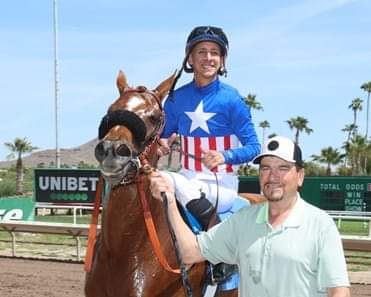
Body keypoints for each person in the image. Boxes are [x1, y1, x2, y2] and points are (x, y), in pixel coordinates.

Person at [150, 136, 351, 297]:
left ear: (300, 176)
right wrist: (168, 198)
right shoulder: (243, 220)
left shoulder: (320, 225)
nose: (272, 176)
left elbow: (339, 291)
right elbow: (190, 252)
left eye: (282, 168)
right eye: (265, 168)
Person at [158, 25, 260, 230]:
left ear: (222, 60)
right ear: (190, 59)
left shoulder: (232, 99)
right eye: (201, 52)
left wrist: (225, 156)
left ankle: (217, 239)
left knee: (166, 179)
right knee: (157, 182)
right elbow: (162, 137)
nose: (208, 57)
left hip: (221, 184)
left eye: (215, 53)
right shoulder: (176, 98)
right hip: (187, 177)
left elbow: (255, 147)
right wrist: (162, 143)